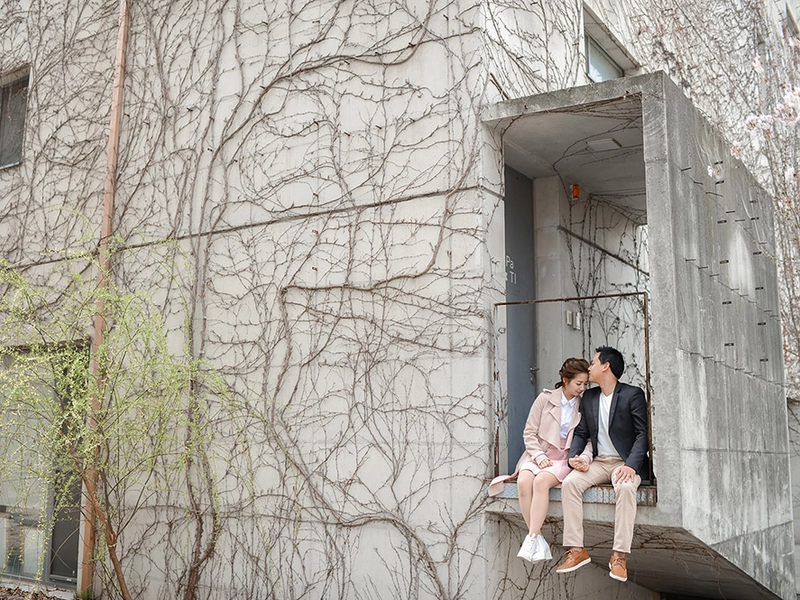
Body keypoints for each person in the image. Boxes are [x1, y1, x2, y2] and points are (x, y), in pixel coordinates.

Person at [555, 346, 649, 583]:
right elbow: (582, 433)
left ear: (606, 366)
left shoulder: (632, 394)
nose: (590, 367)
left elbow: (642, 434)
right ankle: (576, 550)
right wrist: (574, 457)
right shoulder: (589, 397)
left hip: (624, 463)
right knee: (570, 484)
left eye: (594, 362)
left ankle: (619, 556)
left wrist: (631, 465)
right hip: (598, 463)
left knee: (626, 488)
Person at [488, 358, 592, 563]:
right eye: (578, 383)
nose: (582, 388)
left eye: (585, 384)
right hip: (539, 454)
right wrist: (540, 456)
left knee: (541, 481)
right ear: (565, 380)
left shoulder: (584, 405)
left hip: (565, 458)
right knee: (524, 480)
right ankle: (536, 537)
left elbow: (589, 439)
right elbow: (529, 432)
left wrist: (583, 458)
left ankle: (532, 538)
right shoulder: (544, 399)